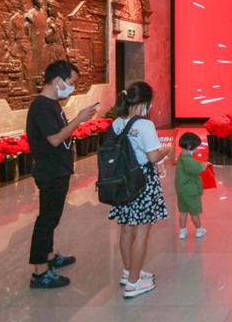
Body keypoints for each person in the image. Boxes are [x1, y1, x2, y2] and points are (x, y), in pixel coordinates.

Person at [26, 60, 97, 289]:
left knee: (53, 217)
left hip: (58, 168)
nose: (72, 87)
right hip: (50, 170)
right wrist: (79, 120)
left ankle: (49, 256)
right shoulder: (41, 106)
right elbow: (55, 139)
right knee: (47, 219)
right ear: (58, 80)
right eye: (71, 82)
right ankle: (39, 272)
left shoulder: (53, 104)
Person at [107, 82, 170, 298]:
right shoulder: (145, 125)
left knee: (126, 229)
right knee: (142, 232)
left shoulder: (117, 122)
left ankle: (128, 273)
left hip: (122, 181)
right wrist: (167, 150)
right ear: (145, 103)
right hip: (142, 181)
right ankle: (134, 283)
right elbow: (153, 156)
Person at [175, 131, 209, 239]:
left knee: (183, 211)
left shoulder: (181, 157)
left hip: (181, 190)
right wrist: (205, 165)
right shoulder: (188, 160)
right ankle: (199, 229)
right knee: (194, 212)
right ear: (190, 147)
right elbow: (196, 168)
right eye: (195, 147)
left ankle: (182, 231)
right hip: (190, 190)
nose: (196, 149)